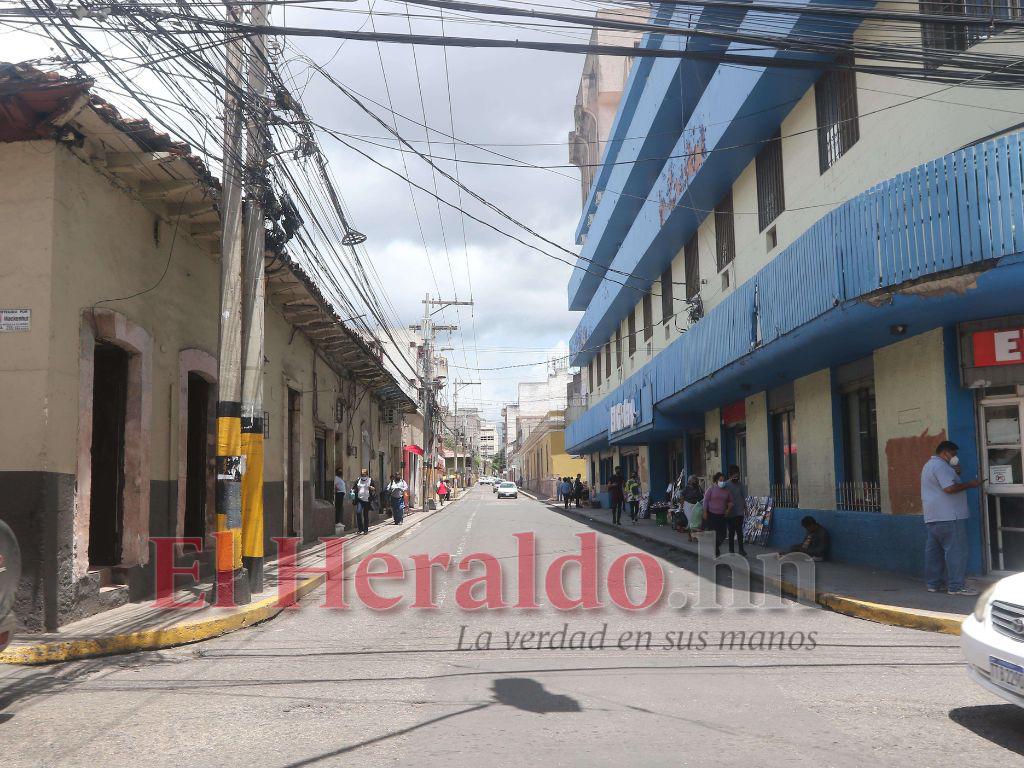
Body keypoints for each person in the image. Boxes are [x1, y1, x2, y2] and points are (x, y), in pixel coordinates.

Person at [921, 440, 983, 596]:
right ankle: (956, 586)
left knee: (934, 553)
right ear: (945, 452)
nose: (955, 457)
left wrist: (956, 473)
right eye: (953, 454)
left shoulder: (930, 465)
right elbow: (949, 488)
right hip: (949, 516)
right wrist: (971, 484)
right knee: (956, 552)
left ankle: (933, 583)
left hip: (934, 516)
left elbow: (945, 483)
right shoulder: (941, 466)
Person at [702, 471, 733, 557]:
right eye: (720, 480)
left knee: (722, 534)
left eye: (723, 480)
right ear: (716, 481)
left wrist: (728, 509)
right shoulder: (711, 489)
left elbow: (730, 502)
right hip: (712, 514)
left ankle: (715, 547)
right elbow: (705, 501)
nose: (722, 482)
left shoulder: (727, 491)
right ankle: (716, 551)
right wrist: (704, 512)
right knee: (714, 533)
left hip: (722, 515)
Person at [725, 464, 748, 556]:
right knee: (731, 531)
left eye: (737, 474)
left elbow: (743, 497)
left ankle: (741, 549)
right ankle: (731, 549)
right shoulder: (726, 485)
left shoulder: (740, 485)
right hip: (730, 512)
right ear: (730, 475)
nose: (736, 476)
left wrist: (746, 509)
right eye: (734, 474)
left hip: (739, 512)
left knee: (739, 531)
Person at [680, 474, 704, 543]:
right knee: (690, 521)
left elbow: (702, 495)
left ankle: (695, 536)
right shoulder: (686, 488)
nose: (696, 481)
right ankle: (689, 536)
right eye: (694, 480)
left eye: (696, 480)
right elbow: (682, 496)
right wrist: (681, 506)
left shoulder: (698, 487)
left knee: (696, 522)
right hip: (688, 506)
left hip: (697, 506)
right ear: (690, 481)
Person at [353, 468, 374, 535]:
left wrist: (372, 488)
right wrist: (353, 490)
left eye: (364, 474)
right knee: (358, 512)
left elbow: (374, 488)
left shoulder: (370, 480)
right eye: (362, 474)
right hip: (360, 499)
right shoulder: (358, 480)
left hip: (367, 500)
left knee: (365, 515)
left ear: (367, 474)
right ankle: (360, 528)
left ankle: (365, 529)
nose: (363, 475)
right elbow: (354, 487)